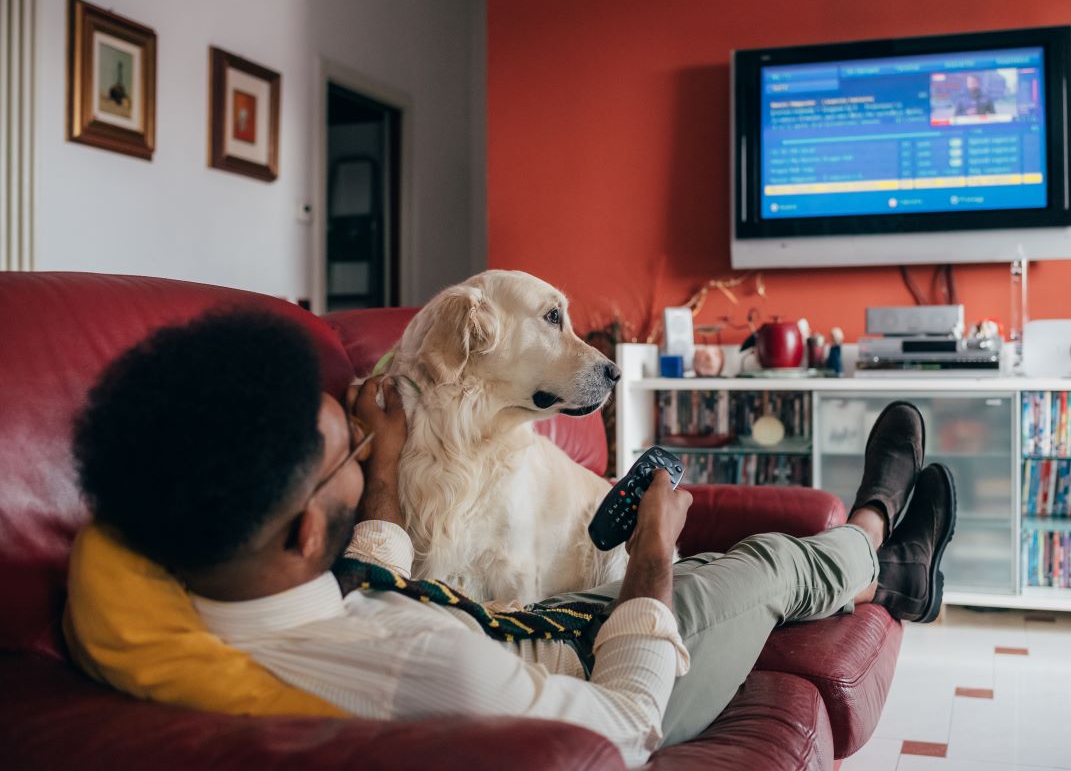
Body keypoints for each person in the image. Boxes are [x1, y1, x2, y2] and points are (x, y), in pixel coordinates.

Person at [72, 309, 956, 767]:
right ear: (305, 528)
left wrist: (374, 479)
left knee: (730, 569)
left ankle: (890, 573)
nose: (370, 438)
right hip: (596, 669)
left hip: (544, 624)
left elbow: (362, 589)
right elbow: (623, 730)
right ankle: (879, 530)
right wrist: (651, 555)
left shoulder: (191, 607)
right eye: (348, 448)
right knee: (761, 564)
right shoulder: (418, 660)